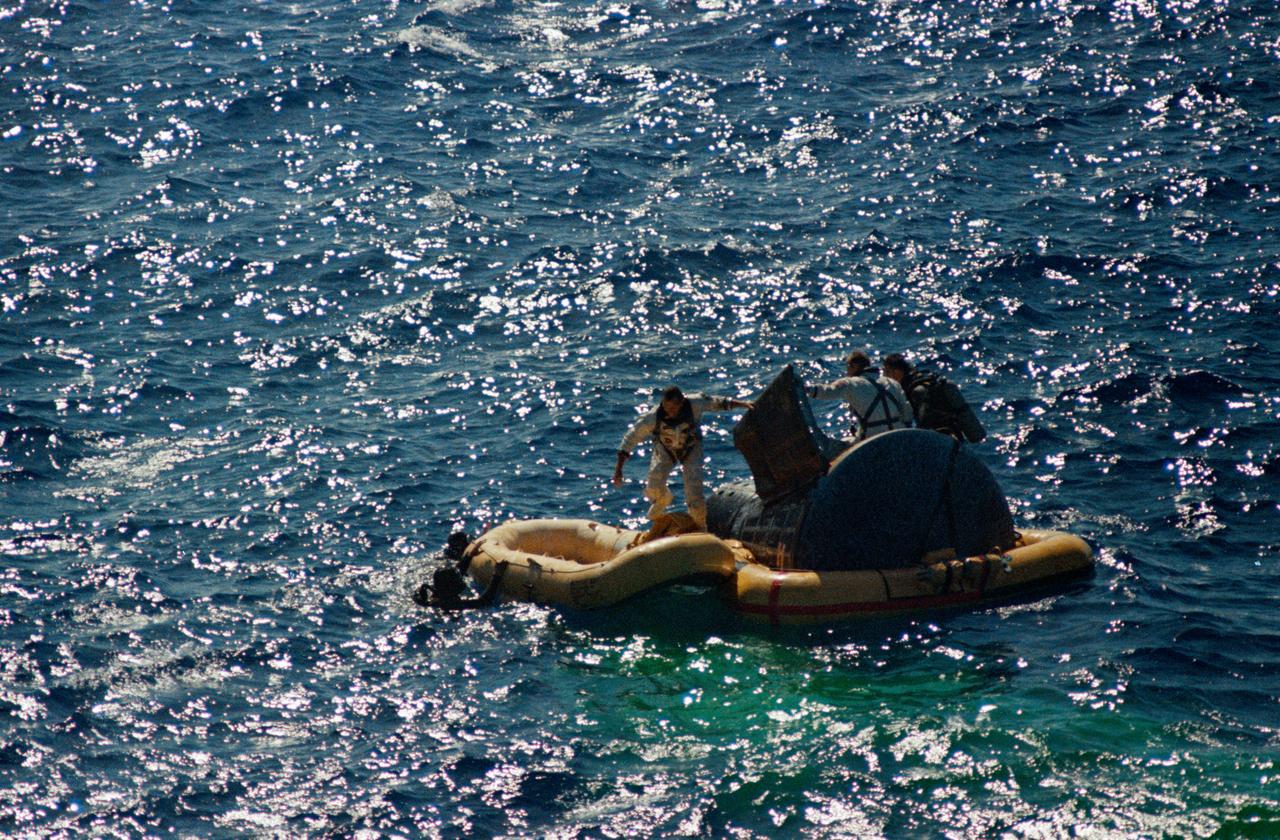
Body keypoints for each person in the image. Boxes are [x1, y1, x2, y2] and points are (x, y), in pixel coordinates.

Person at [612, 385, 753, 530]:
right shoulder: (652, 417)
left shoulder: (695, 403)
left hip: (691, 449)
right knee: (653, 487)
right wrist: (619, 470)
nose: (670, 412)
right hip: (666, 450)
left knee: (695, 497)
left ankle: (701, 528)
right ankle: (662, 501)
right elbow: (630, 438)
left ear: (682, 402)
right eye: (667, 408)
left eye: (673, 408)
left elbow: (717, 402)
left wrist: (743, 404)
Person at [806, 350, 913, 446]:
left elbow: (826, 391)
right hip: (898, 438)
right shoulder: (892, 382)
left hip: (871, 441)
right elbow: (907, 412)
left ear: (853, 366)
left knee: (834, 448)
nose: (847, 372)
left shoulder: (850, 383)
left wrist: (804, 389)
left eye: (847, 367)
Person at [882, 353, 986, 443]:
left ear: (897, 372)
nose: (884, 376)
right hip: (955, 437)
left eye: (886, 371)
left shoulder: (914, 390)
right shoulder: (929, 380)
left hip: (934, 440)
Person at [412, 531, 510, 610]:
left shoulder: (439, 591)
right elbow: (483, 602)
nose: (460, 580)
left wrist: (469, 555)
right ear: (451, 588)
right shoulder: (449, 604)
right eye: (457, 580)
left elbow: (459, 570)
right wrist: (497, 575)